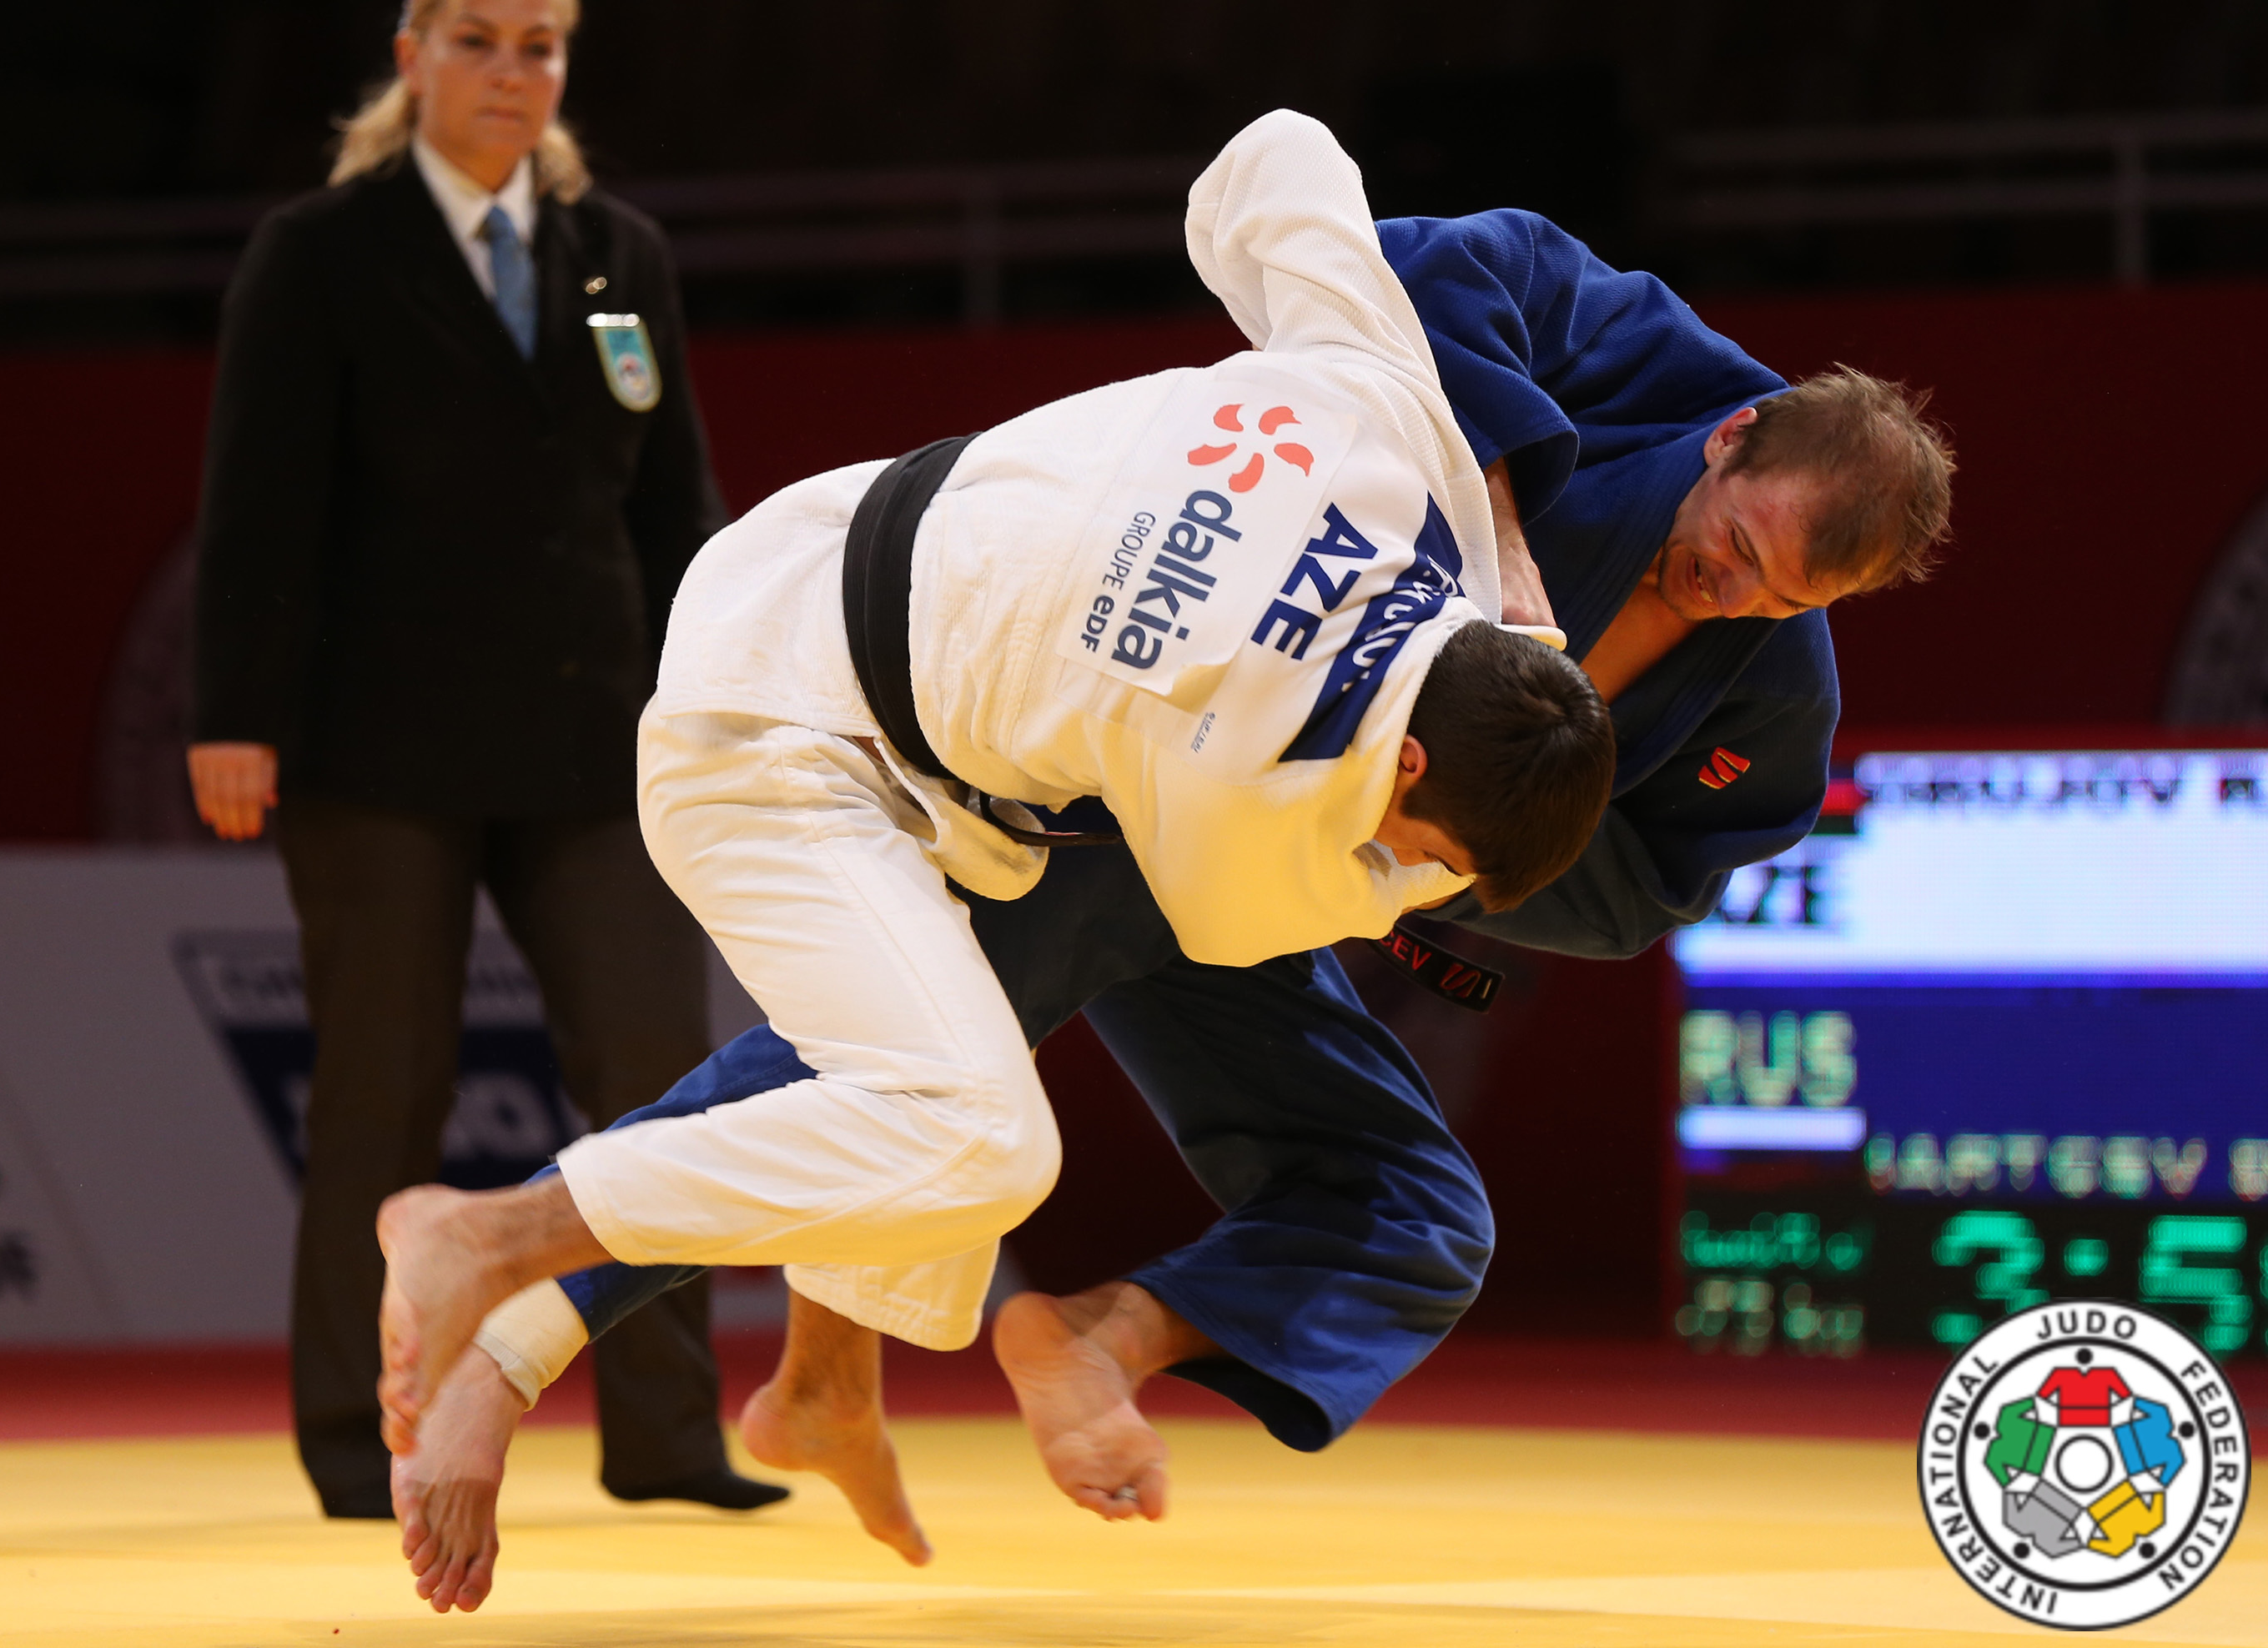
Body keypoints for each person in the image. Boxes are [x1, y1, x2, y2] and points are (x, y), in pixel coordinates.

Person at [390, 143, 1956, 1611]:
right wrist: (1494, 517)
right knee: (910, 1085)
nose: (1728, 591)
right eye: (1734, 544)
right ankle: (520, 1338)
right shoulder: (1635, 359)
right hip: (1154, 785)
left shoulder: (1771, 690)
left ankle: (1063, 1341)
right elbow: (1409, 269)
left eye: (1782, 597)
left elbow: (1650, 892)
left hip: (1348, 854)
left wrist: (1444, 865)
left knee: (1419, 1214)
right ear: (1732, 434)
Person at [186, 0, 784, 1520]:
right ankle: (354, 1438)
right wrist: (234, 710)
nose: (513, 73)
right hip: (377, 743)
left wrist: (730, 694)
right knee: (382, 1094)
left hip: (595, 735)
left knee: (660, 1085)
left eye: (539, 45)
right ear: (412, 58)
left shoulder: (615, 252)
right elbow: (257, 497)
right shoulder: (321, 251)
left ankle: (667, 1437)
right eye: (478, 41)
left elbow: (677, 507)